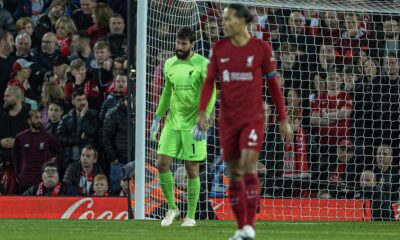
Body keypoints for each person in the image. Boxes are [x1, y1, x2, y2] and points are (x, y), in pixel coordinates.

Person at [197, 4, 291, 239]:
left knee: (248, 167)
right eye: (223, 19)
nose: (224, 23)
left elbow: (273, 85)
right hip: (227, 120)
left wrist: (283, 119)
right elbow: (209, 82)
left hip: (252, 119)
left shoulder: (261, 48)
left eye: (228, 19)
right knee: (234, 173)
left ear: (241, 21)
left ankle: (250, 225)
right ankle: (241, 229)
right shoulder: (218, 48)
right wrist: (202, 112)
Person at [149, 26, 216, 227]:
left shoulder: (203, 64)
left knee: (191, 168)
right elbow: (167, 93)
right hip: (172, 122)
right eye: (178, 43)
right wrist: (156, 118)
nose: (179, 47)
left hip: (193, 123)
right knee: (161, 163)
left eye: (184, 44)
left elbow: (211, 91)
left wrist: (205, 116)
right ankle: (172, 208)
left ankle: (191, 216)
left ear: (192, 44)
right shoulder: (169, 63)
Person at [13, 110, 63, 193]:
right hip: (25, 179)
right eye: (36, 118)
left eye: (41, 117)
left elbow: (60, 151)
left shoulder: (48, 137)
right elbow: (15, 156)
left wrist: (54, 163)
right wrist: (17, 173)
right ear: (29, 120)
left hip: (41, 179)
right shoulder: (20, 137)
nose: (40, 120)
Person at [57, 88, 99, 165]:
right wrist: (78, 139)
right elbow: (60, 138)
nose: (82, 102)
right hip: (70, 160)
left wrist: (82, 117)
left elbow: (90, 131)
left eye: (84, 99)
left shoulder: (94, 115)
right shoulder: (66, 118)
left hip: (88, 161)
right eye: (79, 100)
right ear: (73, 102)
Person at [0, 86, 30, 194]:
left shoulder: (29, 116)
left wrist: (17, 143)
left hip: (23, 166)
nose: (4, 98)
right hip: (2, 164)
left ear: (17, 97)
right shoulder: (1, 115)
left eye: (7, 96)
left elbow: (37, 138)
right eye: (4, 96)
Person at [102, 89, 129, 194]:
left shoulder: (142, 113)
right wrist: (113, 158)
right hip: (119, 163)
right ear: (124, 100)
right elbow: (105, 137)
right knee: (116, 192)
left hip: (137, 162)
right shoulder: (113, 114)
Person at [0, 30, 15, 107]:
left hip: (11, 105)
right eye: (11, 40)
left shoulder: (13, 61)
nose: (14, 43)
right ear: (2, 42)